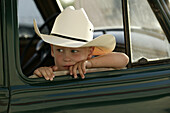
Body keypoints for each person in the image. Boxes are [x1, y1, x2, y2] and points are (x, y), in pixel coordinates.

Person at [33, 6, 129, 81]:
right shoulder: (52, 71)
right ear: (52, 51)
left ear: (90, 52)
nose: (66, 58)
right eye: (60, 50)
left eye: (74, 51)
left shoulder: (92, 65)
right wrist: (42, 72)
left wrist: (89, 64)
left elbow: (124, 59)